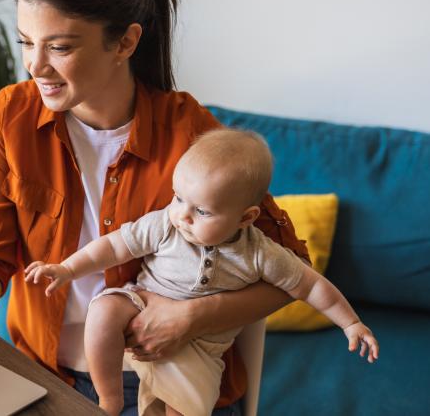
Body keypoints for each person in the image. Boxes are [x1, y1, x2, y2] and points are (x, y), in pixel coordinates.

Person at [0, 0, 312, 414]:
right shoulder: (8, 118)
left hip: (158, 386)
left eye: (59, 47)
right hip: (38, 372)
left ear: (124, 41)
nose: (35, 66)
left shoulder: (190, 135)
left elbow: (295, 271)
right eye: (26, 42)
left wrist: (190, 317)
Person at [25, 129, 380, 416]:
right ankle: (109, 399)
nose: (183, 215)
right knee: (103, 312)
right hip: (141, 302)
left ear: (246, 218)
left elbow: (311, 285)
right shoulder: (167, 223)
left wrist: (350, 323)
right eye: (179, 198)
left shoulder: (260, 254)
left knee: (185, 408)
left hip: (202, 349)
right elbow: (115, 246)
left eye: (202, 211)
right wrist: (68, 268)